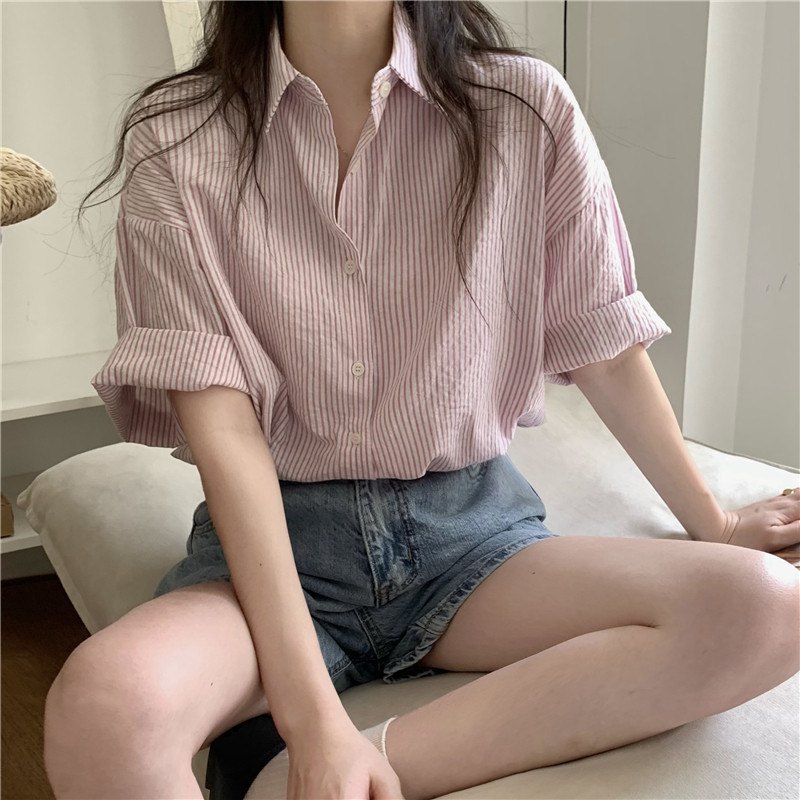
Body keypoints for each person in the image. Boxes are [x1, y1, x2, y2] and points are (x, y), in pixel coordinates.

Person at [44, 2, 800, 799]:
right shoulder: (178, 134)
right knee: (104, 707)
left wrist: (715, 525)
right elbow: (225, 431)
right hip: (278, 550)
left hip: (473, 543)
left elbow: (605, 347)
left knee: (765, 606)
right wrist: (313, 723)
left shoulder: (522, 107)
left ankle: (311, 783)